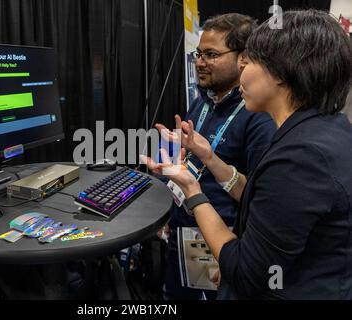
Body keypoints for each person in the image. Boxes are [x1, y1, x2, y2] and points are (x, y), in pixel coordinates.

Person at [143, 9, 352, 299]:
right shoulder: (324, 129)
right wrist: (209, 157)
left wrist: (192, 189)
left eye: (249, 61)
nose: (244, 70)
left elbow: (246, 272)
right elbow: (265, 201)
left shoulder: (303, 158)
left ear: (280, 72)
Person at [155, 14, 276, 300]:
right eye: (199, 54)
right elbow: (191, 163)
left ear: (243, 58)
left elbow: (258, 200)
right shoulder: (204, 101)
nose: (199, 62)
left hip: (220, 248)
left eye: (211, 54)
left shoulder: (260, 119)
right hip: (183, 237)